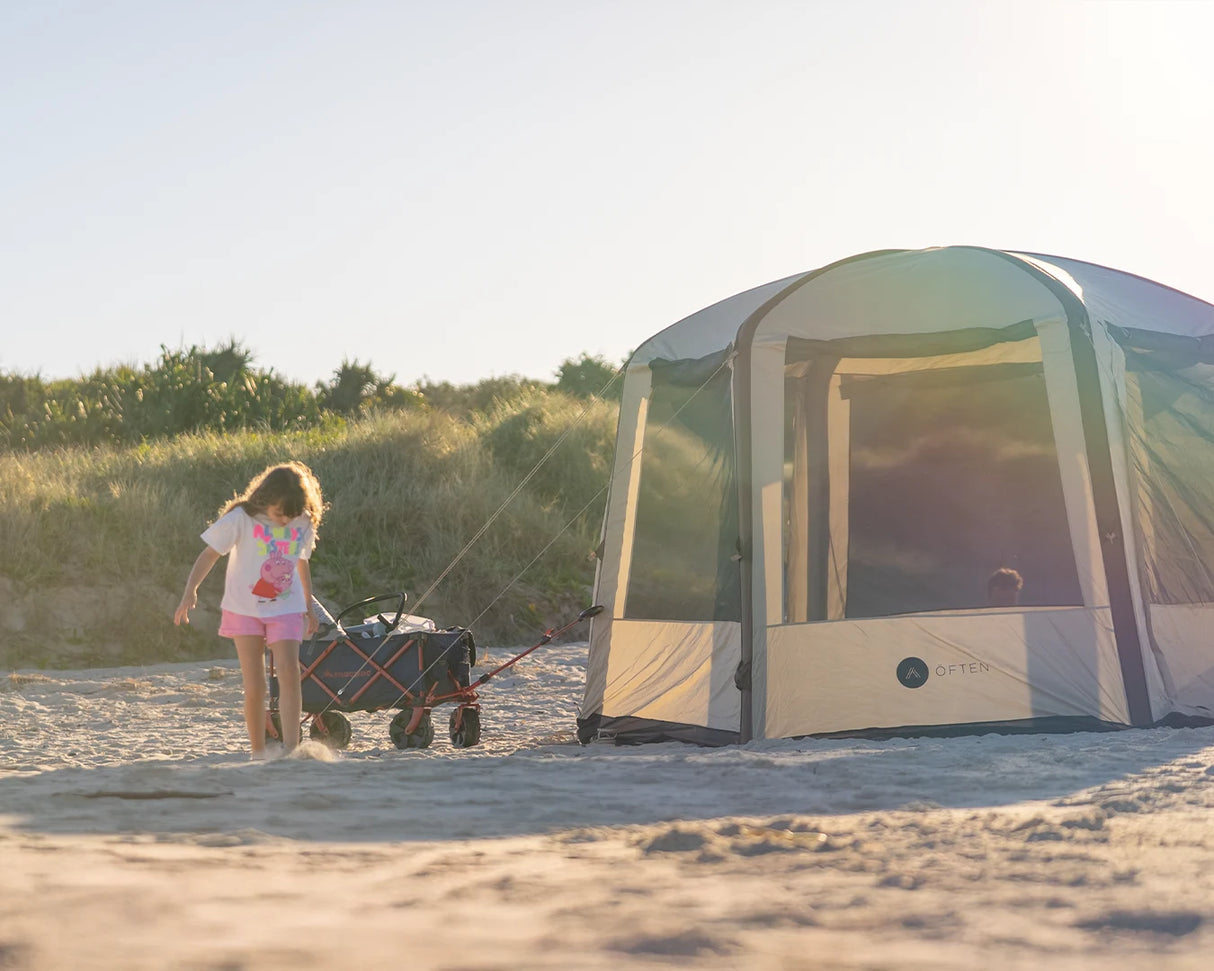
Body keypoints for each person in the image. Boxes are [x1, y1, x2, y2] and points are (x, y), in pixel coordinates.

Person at [174, 462, 325, 758]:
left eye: (290, 515)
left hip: (286, 607)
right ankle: (257, 752)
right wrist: (190, 590)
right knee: (255, 682)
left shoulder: (303, 520)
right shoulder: (241, 518)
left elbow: (301, 562)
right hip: (244, 609)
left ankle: (291, 748)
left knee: (289, 673)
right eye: (279, 513)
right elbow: (210, 554)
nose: (285, 521)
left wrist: (309, 605)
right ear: (266, 499)